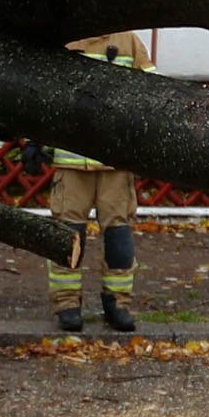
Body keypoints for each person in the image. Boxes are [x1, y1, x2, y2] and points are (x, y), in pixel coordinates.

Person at [45, 30, 147, 333]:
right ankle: (67, 305)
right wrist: (34, 140)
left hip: (115, 162)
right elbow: (43, 93)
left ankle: (117, 303)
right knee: (66, 235)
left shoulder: (129, 41)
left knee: (118, 236)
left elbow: (152, 94)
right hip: (71, 160)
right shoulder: (64, 39)